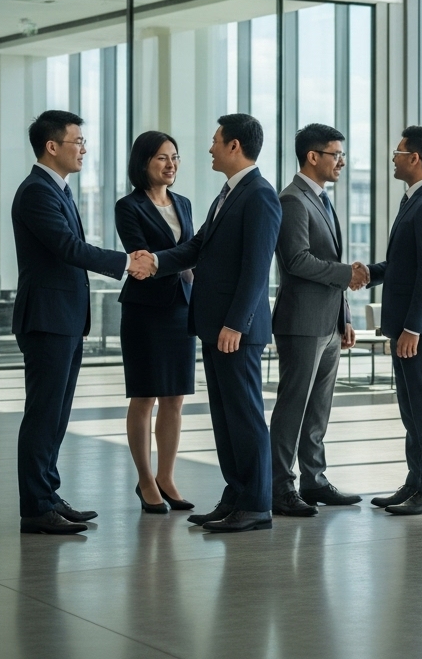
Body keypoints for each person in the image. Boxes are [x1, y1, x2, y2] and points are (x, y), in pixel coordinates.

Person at [12, 110, 155, 534]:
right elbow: (67, 247)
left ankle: (49, 496)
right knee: (43, 415)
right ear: (52, 146)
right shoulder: (37, 192)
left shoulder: (57, 189)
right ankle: (36, 507)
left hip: (65, 318)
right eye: (77, 142)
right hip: (48, 319)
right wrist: (126, 262)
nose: (84, 150)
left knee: (55, 415)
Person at [149, 114, 282, 533]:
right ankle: (236, 494)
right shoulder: (229, 194)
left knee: (244, 417)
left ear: (234, 146)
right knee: (225, 419)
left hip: (234, 330)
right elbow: (197, 246)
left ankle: (257, 504)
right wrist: (154, 261)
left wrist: (236, 324)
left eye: (214, 140)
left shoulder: (260, 195)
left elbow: (256, 268)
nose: (208, 148)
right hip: (215, 326)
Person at [268, 124, 367, 517]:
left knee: (319, 409)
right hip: (301, 322)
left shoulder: (321, 200)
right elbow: (296, 260)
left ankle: (314, 480)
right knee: (293, 406)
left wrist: (344, 316)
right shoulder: (292, 200)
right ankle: (279, 485)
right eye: (335, 154)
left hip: (327, 323)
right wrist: (347, 274)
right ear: (313, 157)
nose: (341, 161)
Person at [364, 126, 422, 516]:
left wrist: (413, 328)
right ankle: (417, 481)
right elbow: (405, 265)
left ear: (415, 158)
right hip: (406, 325)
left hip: (419, 327)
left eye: (399, 151)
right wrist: (367, 273)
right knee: (411, 408)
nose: (395, 157)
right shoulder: (414, 200)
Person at [115, 130, 198, 514]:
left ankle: (167, 476)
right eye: (163, 158)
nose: (171, 164)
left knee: (175, 398)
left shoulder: (183, 203)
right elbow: (141, 258)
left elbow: (192, 252)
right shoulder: (128, 206)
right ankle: (145, 479)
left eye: (175, 157)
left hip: (182, 307)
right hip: (145, 311)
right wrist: (176, 258)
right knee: (144, 396)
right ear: (144, 162)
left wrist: (174, 259)